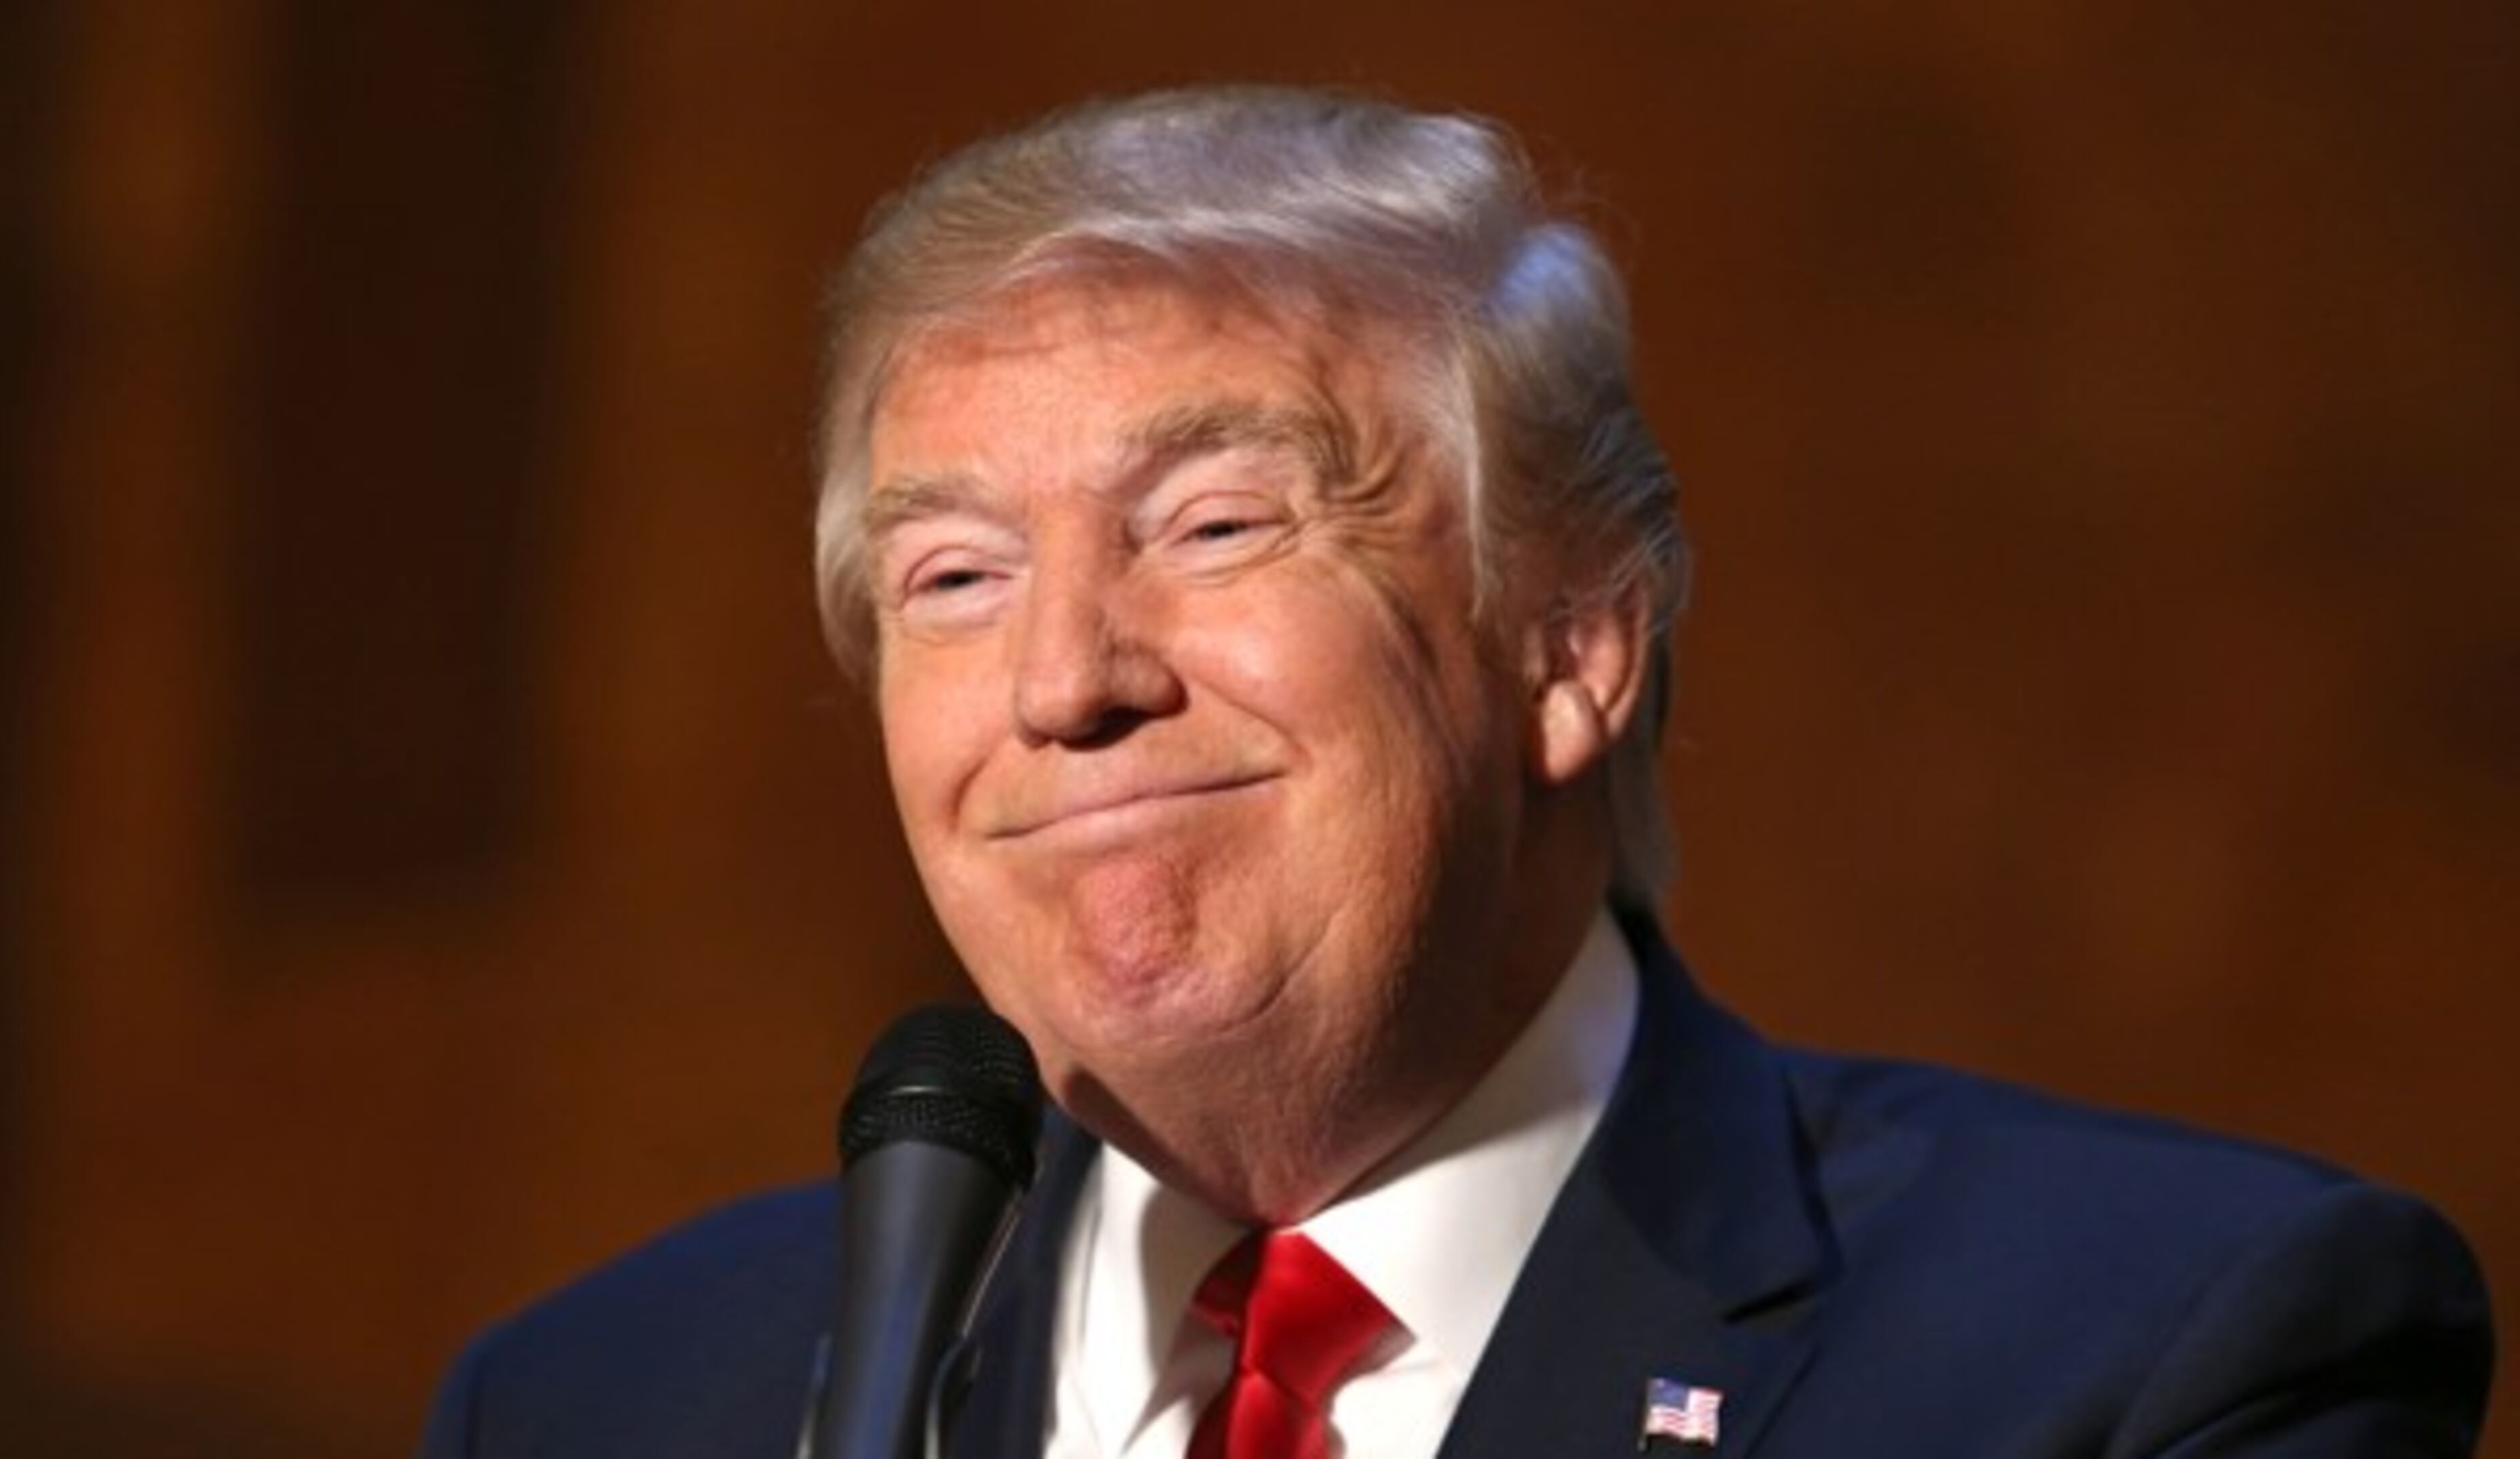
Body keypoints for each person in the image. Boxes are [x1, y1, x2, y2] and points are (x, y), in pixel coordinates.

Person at [417, 86, 2493, 1458]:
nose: (1063, 679)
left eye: (1217, 524)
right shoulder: (597, 1405)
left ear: (1573, 643)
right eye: (951, 575)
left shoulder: (2159, 1358)